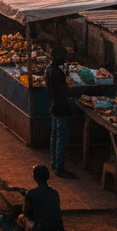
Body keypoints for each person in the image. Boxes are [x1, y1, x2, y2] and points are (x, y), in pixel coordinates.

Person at [14, 165, 66, 231]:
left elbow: (26, 213)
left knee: (21, 219)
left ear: (34, 178)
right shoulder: (55, 193)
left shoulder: (31, 194)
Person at [46, 46, 77, 178]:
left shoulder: (49, 69)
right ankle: (59, 167)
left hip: (53, 106)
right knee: (61, 139)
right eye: (64, 57)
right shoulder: (58, 73)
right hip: (61, 107)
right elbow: (65, 91)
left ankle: (54, 162)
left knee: (54, 136)